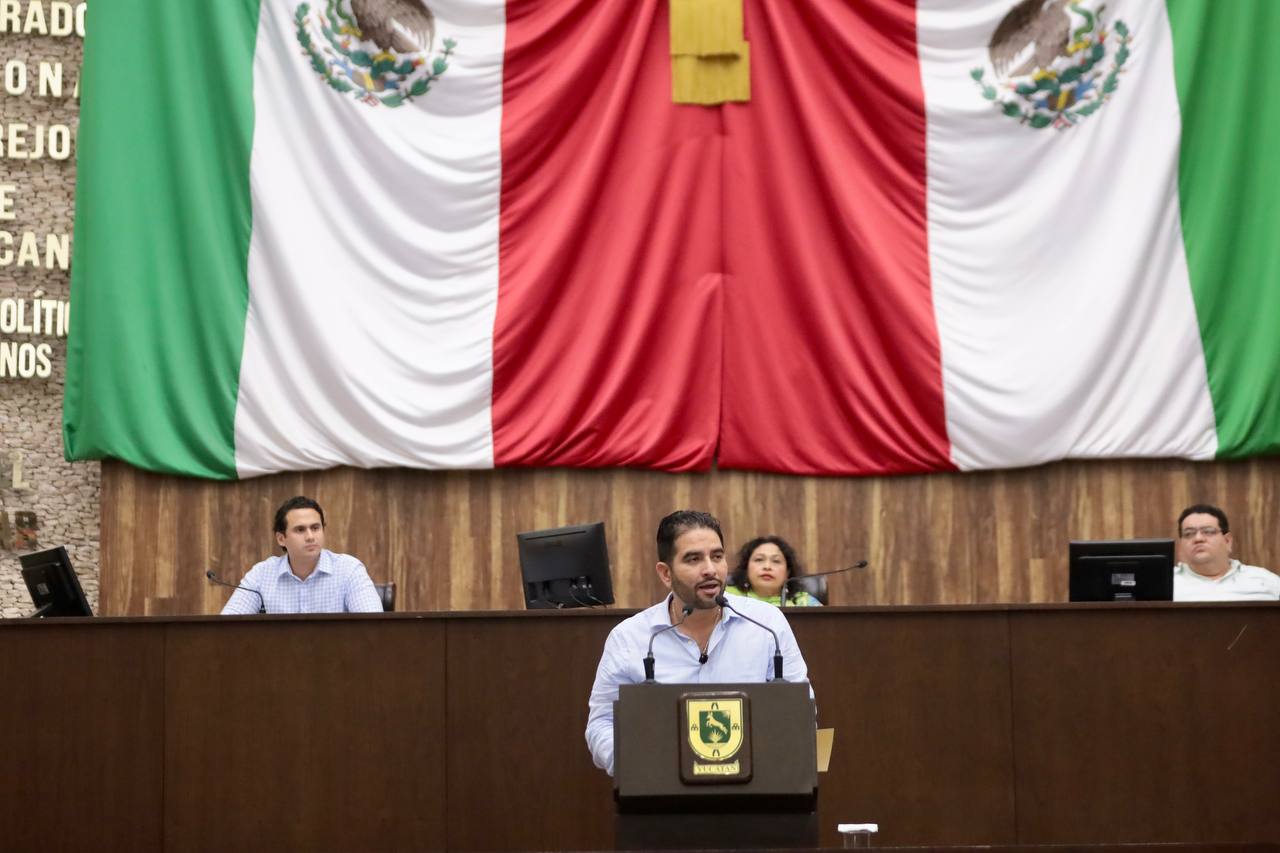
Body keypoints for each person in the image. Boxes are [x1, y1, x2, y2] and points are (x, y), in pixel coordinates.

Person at [585, 510, 811, 776]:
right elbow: (601, 724)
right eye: (693, 559)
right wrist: (638, 766)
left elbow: (802, 709)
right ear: (666, 574)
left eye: (717, 556)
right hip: (661, 798)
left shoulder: (767, 625)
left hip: (752, 792)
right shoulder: (630, 638)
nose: (710, 570)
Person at [220, 496, 384, 614]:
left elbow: (372, 627)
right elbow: (228, 627)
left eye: (315, 528)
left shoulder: (349, 569)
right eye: (300, 530)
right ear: (281, 539)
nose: (311, 536)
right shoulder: (262, 574)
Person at [1173, 504, 1280, 602]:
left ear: (1227, 541)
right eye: (1189, 534)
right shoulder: (1165, 583)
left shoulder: (1265, 580)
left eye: (1208, 531)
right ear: (1181, 544)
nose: (1198, 538)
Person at [725, 535, 823, 607]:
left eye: (776, 561)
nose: (767, 567)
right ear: (746, 568)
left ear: (787, 572)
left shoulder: (803, 602)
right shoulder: (727, 597)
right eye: (759, 559)